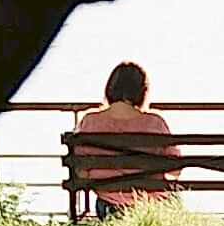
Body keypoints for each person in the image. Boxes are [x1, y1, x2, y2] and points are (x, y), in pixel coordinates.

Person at [73, 62, 180, 215]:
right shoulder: (155, 122)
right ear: (142, 91)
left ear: (110, 88)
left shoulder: (90, 121)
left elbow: (81, 171)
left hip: (108, 205)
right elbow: (175, 169)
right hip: (149, 205)